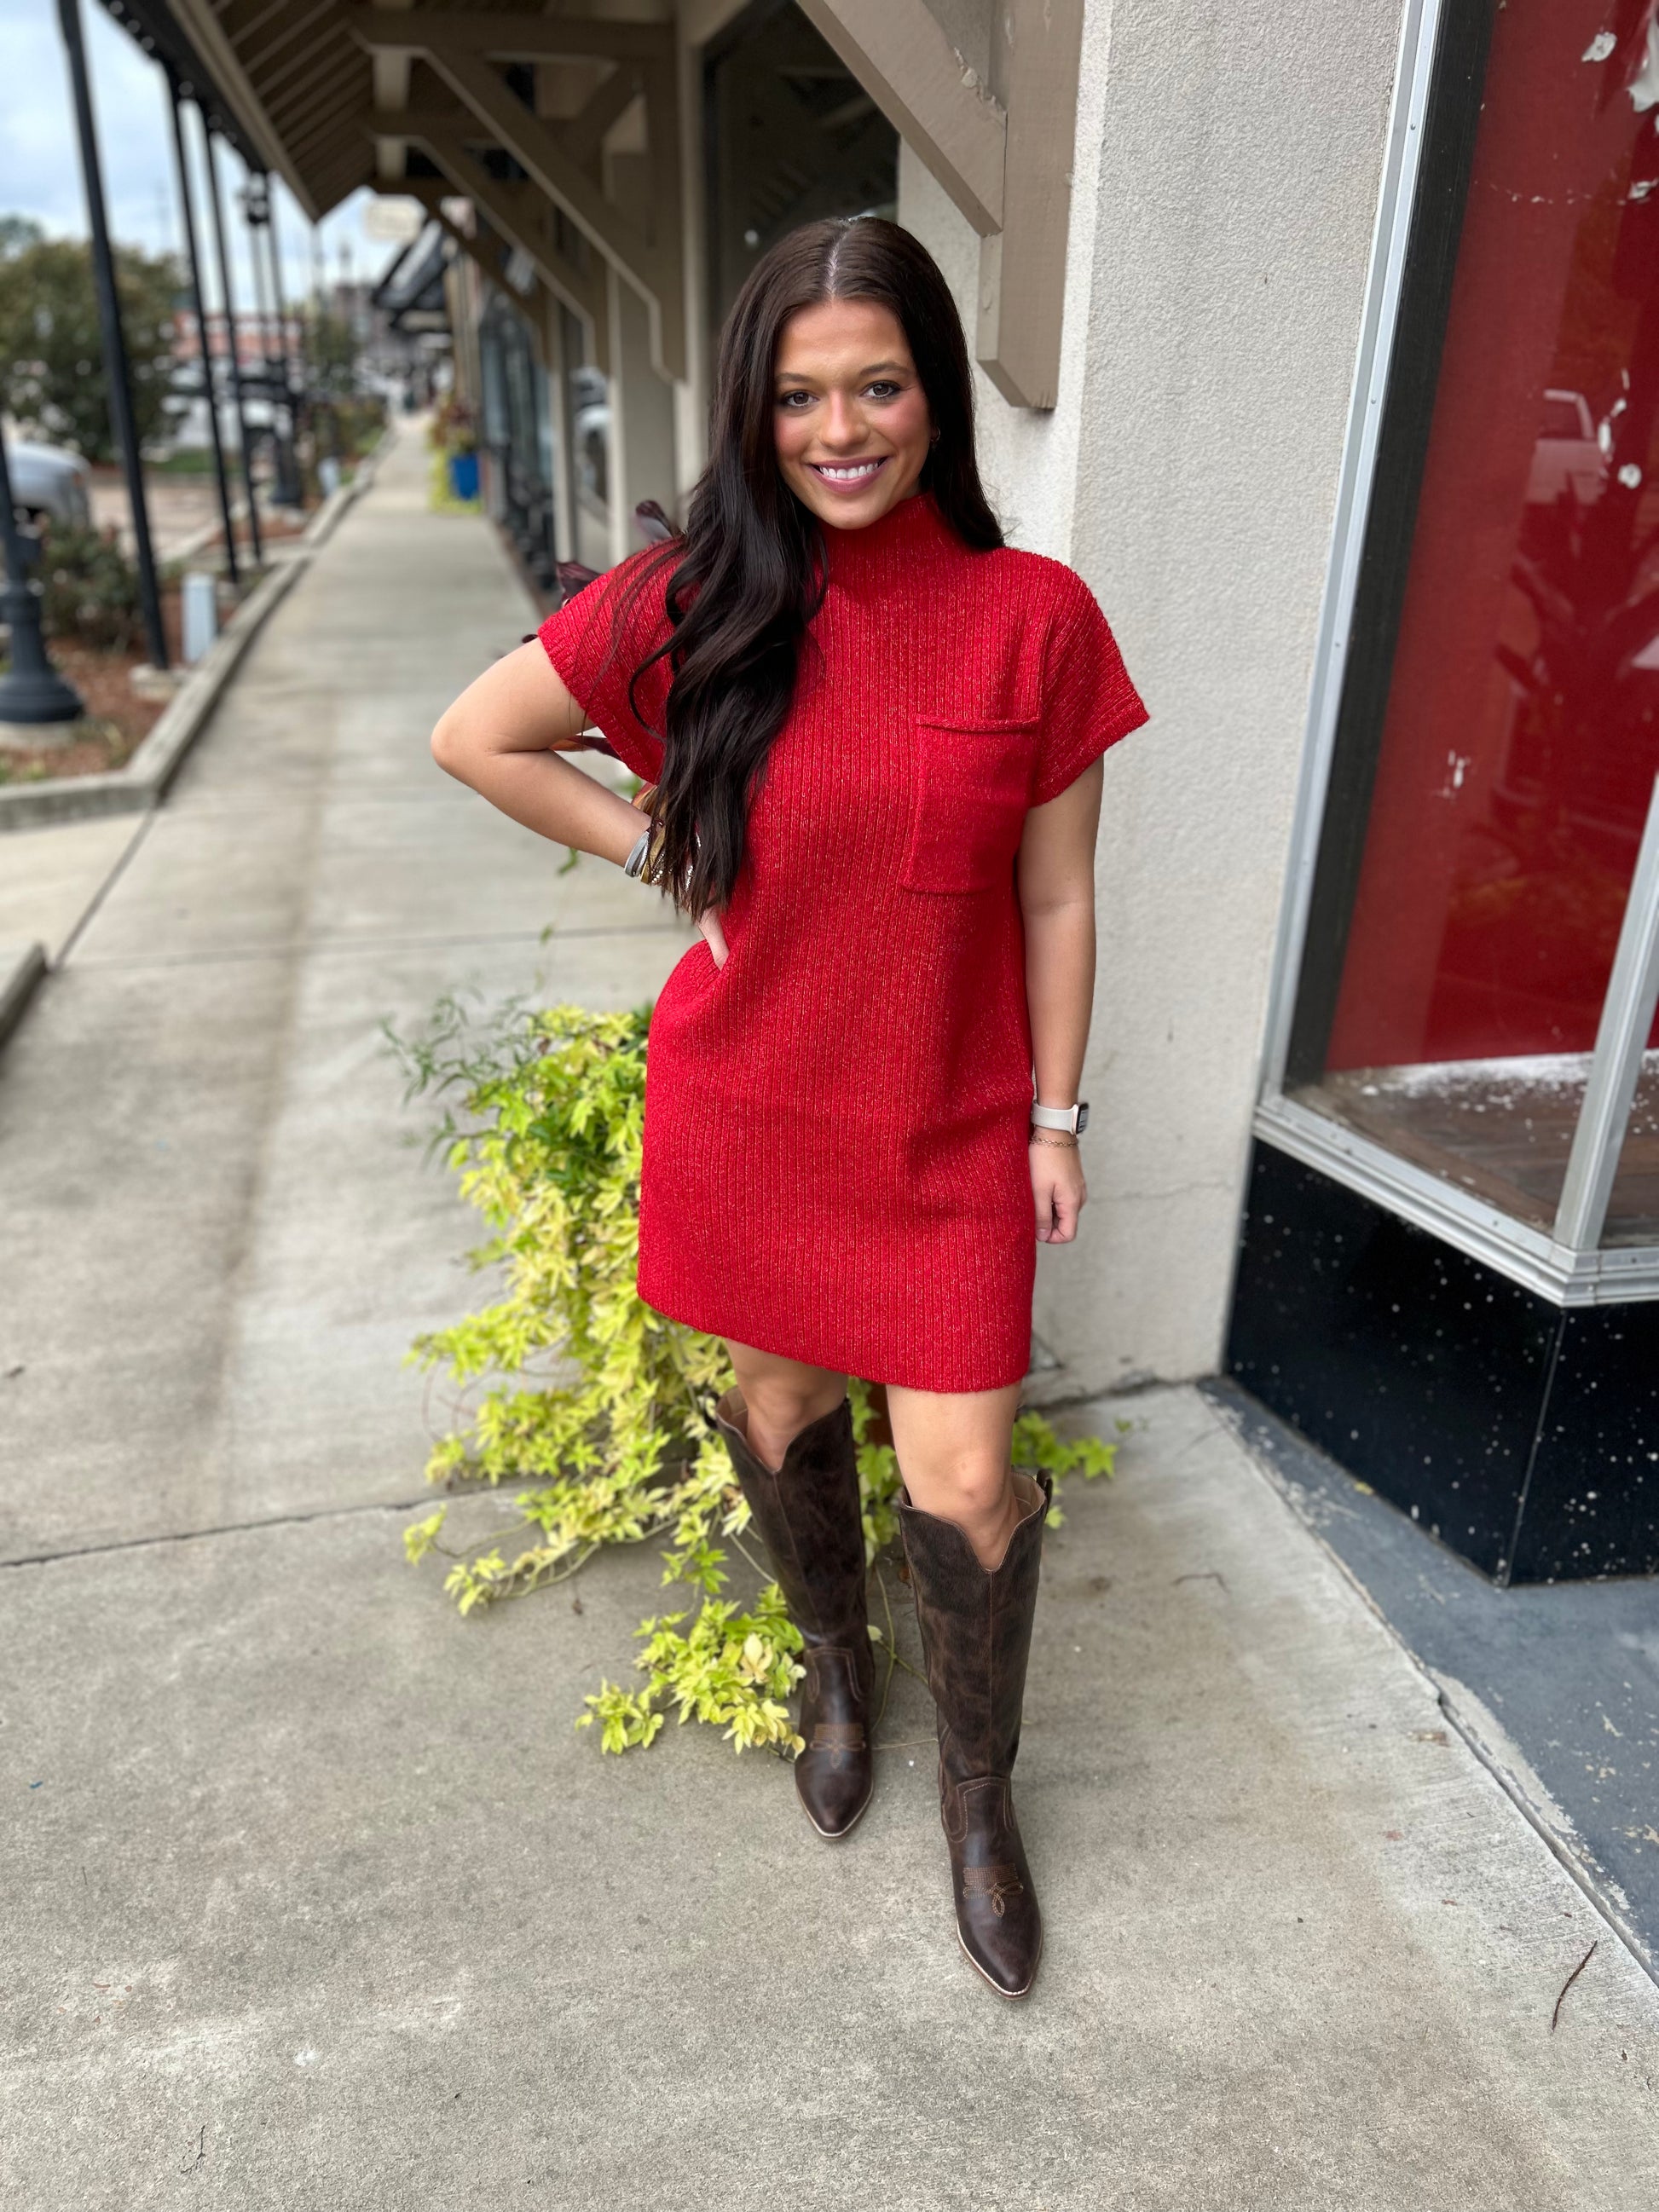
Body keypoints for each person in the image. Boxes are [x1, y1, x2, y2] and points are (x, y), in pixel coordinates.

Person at [431, 216, 1147, 2001]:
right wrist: (662, 853)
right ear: (754, 410)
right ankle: (836, 1661)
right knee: (781, 1401)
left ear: (935, 397)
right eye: (799, 395)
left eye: (877, 387)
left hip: (952, 1125)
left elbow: (1058, 895)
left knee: (965, 1481)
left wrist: (1055, 1117)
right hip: (756, 1105)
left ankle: (976, 1794)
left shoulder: (1033, 621)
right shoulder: (698, 602)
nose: (840, 430)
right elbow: (479, 735)